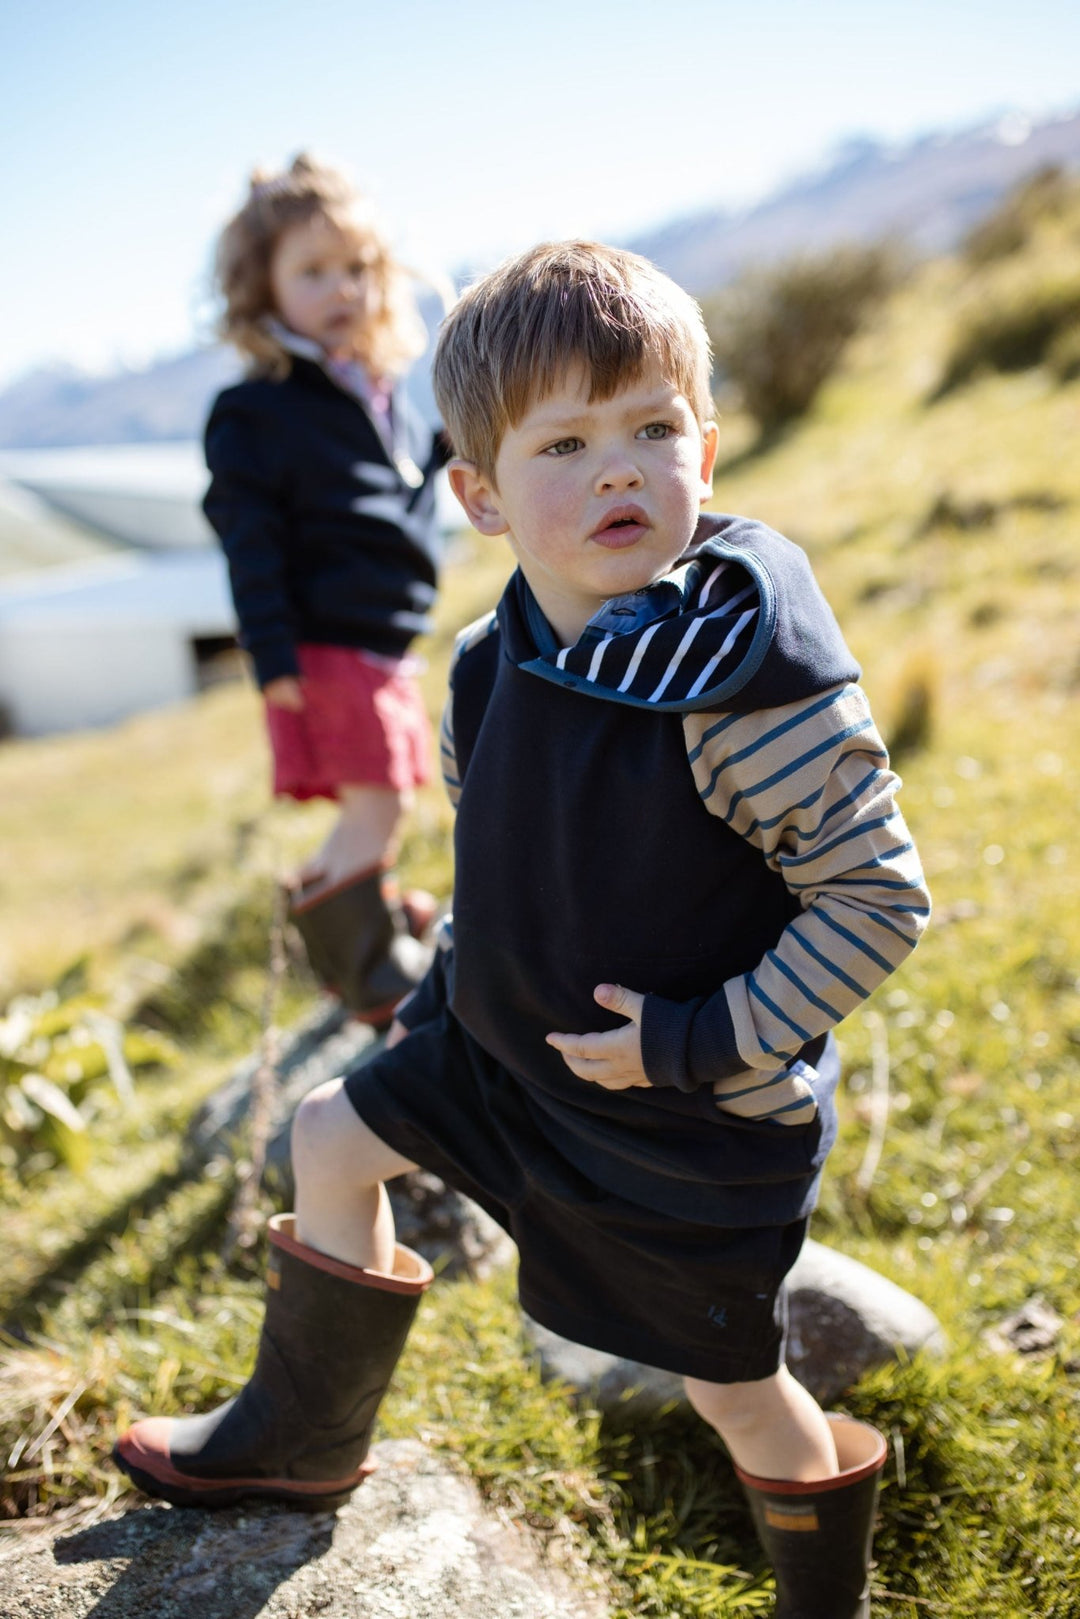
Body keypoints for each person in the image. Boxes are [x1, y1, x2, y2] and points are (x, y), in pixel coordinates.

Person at [115, 242, 930, 1619]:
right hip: (502, 1047)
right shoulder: (492, 662)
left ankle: (820, 1600)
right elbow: (501, 868)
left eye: (652, 429)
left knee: (735, 1389)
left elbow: (877, 897)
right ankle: (307, 1440)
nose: (620, 468)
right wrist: (442, 1000)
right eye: (566, 441)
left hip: (685, 1121)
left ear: (707, 452)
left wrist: (694, 1037)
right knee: (330, 1130)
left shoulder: (743, 683)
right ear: (480, 494)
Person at [203, 154, 447, 1023]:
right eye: (312, 271)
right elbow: (249, 541)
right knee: (377, 808)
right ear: (260, 288)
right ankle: (375, 974)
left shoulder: (372, 389)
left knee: (388, 798)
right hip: (328, 641)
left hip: (382, 639)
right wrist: (271, 654)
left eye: (357, 269)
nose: (341, 288)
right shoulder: (260, 409)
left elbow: (408, 484)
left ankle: (359, 930)